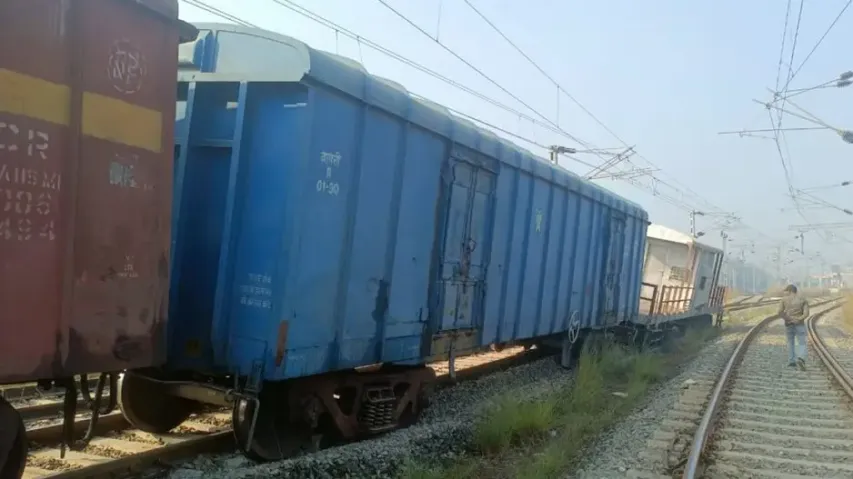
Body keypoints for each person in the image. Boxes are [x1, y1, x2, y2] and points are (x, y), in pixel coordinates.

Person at [778, 284, 810, 370]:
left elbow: (779, 312)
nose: (786, 293)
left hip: (788, 324)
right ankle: (801, 358)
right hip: (799, 324)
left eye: (787, 291)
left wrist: (788, 319)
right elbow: (806, 313)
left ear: (790, 291)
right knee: (802, 342)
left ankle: (791, 361)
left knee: (790, 342)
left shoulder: (783, 299)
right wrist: (798, 319)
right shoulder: (803, 300)